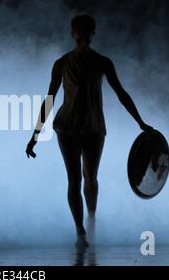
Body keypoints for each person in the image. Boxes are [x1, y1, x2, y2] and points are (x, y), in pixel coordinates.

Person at [26, 14, 153, 248]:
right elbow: (50, 99)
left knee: (90, 177)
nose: (82, 35)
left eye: (86, 31)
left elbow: (122, 94)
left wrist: (140, 122)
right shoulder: (62, 63)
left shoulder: (103, 63)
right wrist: (35, 134)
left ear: (92, 33)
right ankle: (80, 230)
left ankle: (90, 221)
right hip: (68, 126)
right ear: (73, 33)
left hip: (94, 127)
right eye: (79, 31)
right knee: (74, 179)